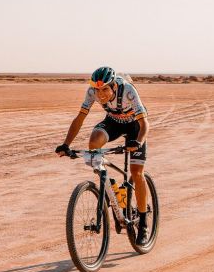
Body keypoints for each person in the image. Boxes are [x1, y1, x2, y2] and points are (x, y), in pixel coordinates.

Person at [55, 66, 151, 246]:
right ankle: (110, 186)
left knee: (137, 172)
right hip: (114, 122)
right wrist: (66, 144)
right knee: (93, 143)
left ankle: (144, 223)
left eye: (105, 89)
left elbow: (144, 123)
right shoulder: (91, 91)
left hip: (135, 126)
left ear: (114, 86)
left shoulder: (128, 91)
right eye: (97, 90)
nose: (101, 95)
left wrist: (137, 142)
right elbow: (80, 118)